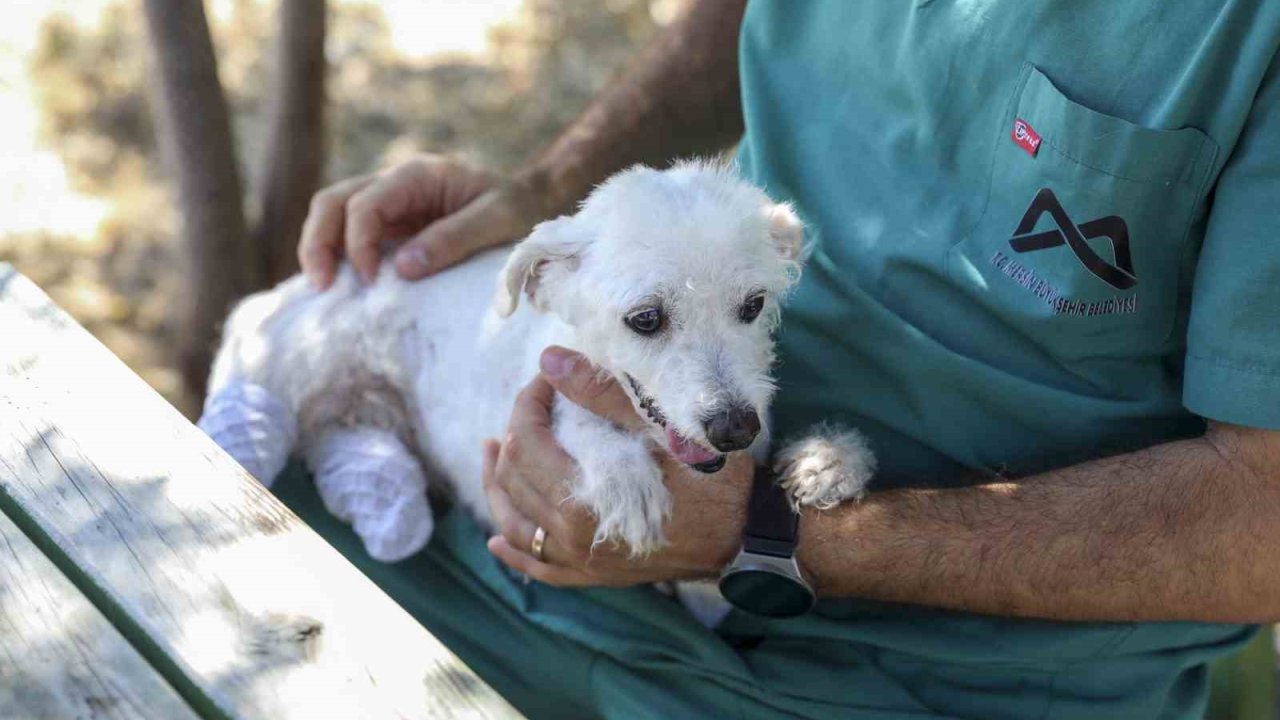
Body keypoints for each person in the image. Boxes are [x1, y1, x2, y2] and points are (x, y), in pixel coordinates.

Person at [273, 1, 1280, 717]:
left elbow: (1264, 523)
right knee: (218, 533)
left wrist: (767, 538)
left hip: (927, 675)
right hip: (562, 547)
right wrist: (554, 194)